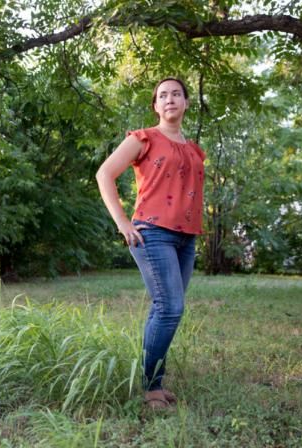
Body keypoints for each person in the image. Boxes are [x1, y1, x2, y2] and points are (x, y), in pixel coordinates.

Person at [95, 78, 206, 410]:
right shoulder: (143, 138)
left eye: (176, 94)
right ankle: (151, 390)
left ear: (186, 103)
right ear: (156, 106)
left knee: (164, 309)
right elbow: (104, 174)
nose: (169, 99)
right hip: (152, 232)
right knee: (170, 308)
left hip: (186, 238)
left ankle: (153, 381)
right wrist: (122, 223)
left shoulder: (195, 149)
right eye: (162, 95)